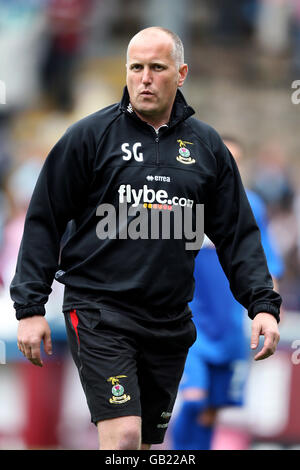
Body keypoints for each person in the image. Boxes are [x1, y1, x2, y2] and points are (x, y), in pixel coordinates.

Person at [11, 27, 282, 451]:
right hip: (100, 312)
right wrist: (29, 306)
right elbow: (43, 219)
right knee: (123, 439)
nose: (144, 78)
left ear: (181, 73)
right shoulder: (89, 137)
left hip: (169, 321)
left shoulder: (207, 147)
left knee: (144, 447)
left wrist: (262, 304)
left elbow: (238, 234)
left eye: (157, 68)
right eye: (136, 68)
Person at [171, 136, 284, 450]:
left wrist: (270, 308)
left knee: (211, 411)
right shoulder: (183, 201)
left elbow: (266, 260)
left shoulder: (251, 206)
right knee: (193, 399)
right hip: (189, 320)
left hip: (232, 324)